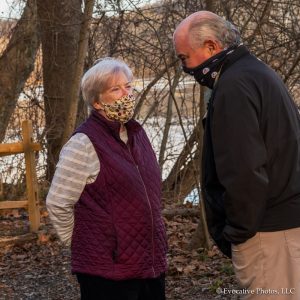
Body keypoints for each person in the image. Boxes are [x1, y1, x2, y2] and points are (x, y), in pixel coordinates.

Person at [173, 11, 300, 299]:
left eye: (184, 58)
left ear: (210, 47)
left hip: (269, 235)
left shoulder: (234, 87)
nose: (185, 68)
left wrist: (238, 233)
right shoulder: (259, 73)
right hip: (284, 226)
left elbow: (244, 172)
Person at [46, 57, 167, 300]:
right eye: (116, 89)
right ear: (97, 102)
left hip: (149, 262)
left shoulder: (137, 133)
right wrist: (84, 244)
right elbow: (58, 203)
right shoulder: (83, 143)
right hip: (107, 272)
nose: (126, 94)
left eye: (128, 86)